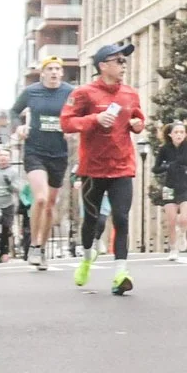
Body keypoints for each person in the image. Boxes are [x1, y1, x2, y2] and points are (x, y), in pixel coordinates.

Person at [62, 44, 148, 296]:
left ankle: (121, 272)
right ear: (103, 65)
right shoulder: (83, 93)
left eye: (124, 61)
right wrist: (94, 120)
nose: (123, 65)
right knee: (91, 221)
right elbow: (66, 123)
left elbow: (139, 118)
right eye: (118, 60)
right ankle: (88, 258)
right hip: (92, 169)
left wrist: (137, 124)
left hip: (122, 166)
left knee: (121, 218)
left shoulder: (130, 94)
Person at [9, 59, 74, 267]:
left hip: (59, 153)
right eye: (50, 69)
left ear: (62, 73)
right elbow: (13, 112)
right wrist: (19, 128)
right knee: (40, 199)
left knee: (50, 205)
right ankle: (34, 245)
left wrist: (73, 128)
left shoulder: (70, 92)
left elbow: (81, 114)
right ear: (42, 73)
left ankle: (42, 249)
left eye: (57, 69)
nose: (54, 72)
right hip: (35, 151)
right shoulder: (32, 92)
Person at [153, 121, 187, 258]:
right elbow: (155, 169)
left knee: (185, 219)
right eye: (176, 132)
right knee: (171, 221)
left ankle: (182, 234)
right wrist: (167, 166)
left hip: (186, 186)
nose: (179, 135)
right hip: (169, 187)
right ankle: (173, 249)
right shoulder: (164, 149)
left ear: (185, 134)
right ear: (170, 134)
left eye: (182, 132)